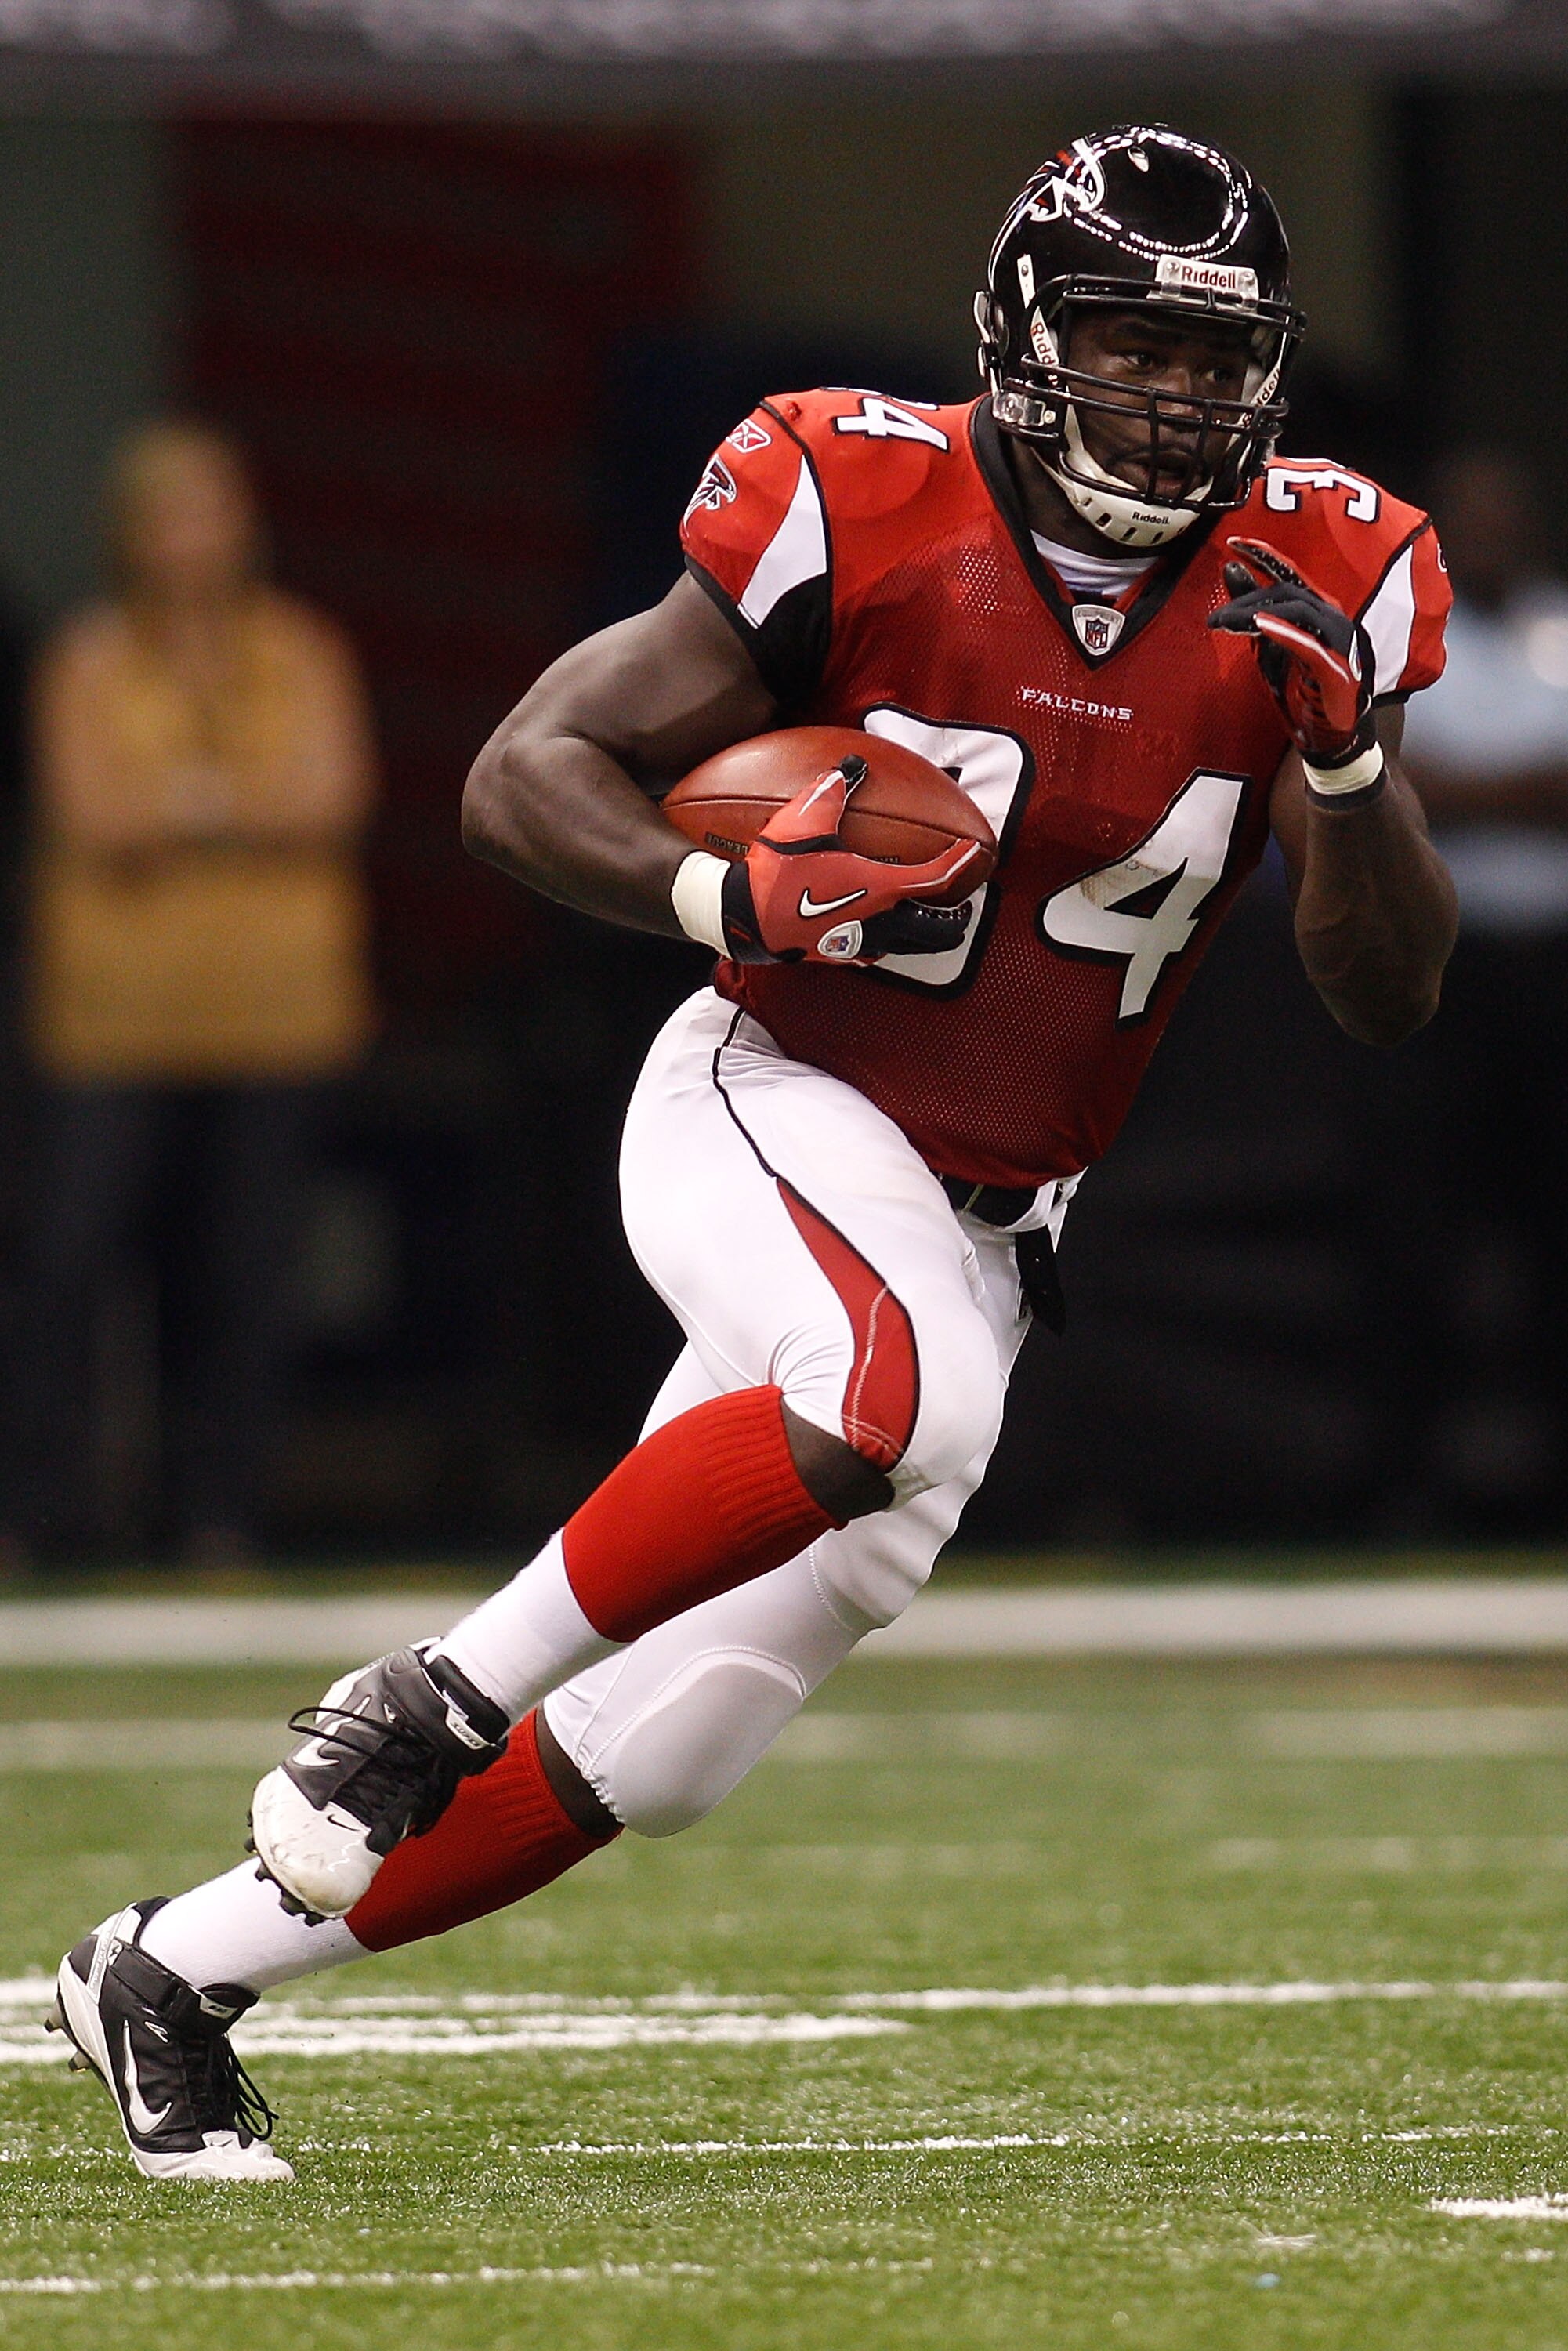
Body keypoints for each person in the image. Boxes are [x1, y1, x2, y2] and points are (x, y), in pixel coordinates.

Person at [47, 126, 1456, 2180]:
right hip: (774, 1094)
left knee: (675, 1742)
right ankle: (419, 1702)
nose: (1161, 391)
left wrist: (1345, 761)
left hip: (996, 1212)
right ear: (1019, 335)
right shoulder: (861, 493)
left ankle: (169, 1971)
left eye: (1199, 355)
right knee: (877, 1393)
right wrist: (720, 901)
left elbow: (1389, 990)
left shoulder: (1318, 568)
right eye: (1121, 340)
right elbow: (525, 770)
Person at [2, 423, 377, 1565]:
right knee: (69, 1259)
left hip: (275, 1016)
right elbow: (92, 815)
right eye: (168, 512)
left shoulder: (304, 652)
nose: (192, 536)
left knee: (245, 1275)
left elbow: (332, 794)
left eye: (210, 507)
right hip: (112, 1021)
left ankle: (219, 1517)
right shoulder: (86, 661)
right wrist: (239, 809)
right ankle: (41, 1512)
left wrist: (182, 806)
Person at [1394, 449, 1568, 1522]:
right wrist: (1530, 791)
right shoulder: (1414, 636)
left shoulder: (1561, 628)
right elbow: (1392, 792)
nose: (1489, 536)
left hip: (1555, 972)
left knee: (1554, 1222)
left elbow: (1434, 790)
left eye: (1508, 516)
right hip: (1439, 975)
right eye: (1471, 519)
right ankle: (1402, 1480)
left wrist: (1457, 794)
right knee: (1418, 1219)